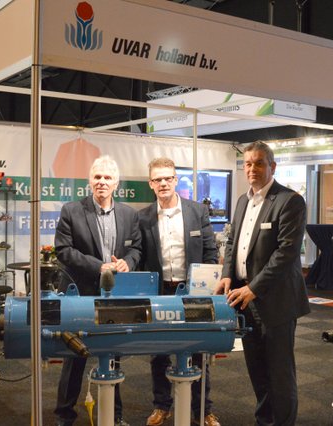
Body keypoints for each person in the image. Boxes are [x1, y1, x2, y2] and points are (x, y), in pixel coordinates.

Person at [214, 141, 309, 426]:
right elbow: (232, 242)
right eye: (248, 163)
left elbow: (286, 253)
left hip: (275, 301)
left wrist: (253, 288)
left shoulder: (290, 201)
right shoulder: (243, 201)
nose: (252, 169)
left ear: (272, 166)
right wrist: (227, 274)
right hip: (243, 299)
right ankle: (264, 421)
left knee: (279, 373)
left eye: (258, 163)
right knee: (257, 370)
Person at [54, 156, 142, 426]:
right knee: (74, 356)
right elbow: (63, 250)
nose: (102, 182)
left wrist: (128, 262)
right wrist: (98, 266)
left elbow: (136, 249)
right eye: (97, 177)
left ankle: (114, 415)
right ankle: (65, 416)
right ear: (89, 181)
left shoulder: (129, 214)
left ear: (116, 183)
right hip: (79, 294)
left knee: (112, 353)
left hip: (114, 296)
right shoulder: (71, 210)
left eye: (107, 177)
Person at [139, 157, 220, 426]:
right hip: (159, 291)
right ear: (151, 184)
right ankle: (162, 406)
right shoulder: (143, 217)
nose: (163, 183)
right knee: (158, 352)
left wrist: (207, 286)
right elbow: (139, 255)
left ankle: (202, 409)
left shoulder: (197, 211)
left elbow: (210, 251)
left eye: (168, 178)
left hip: (192, 290)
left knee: (198, 350)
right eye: (157, 179)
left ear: (175, 180)